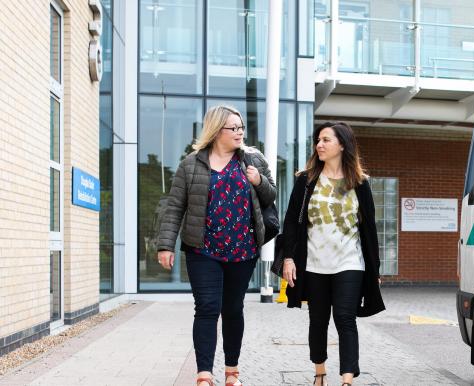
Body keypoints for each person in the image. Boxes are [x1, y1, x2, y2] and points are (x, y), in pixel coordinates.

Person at [156, 105, 277, 386]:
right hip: (203, 249)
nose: (239, 133)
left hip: (242, 250)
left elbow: (271, 195)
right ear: (216, 130)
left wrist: (258, 180)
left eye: (241, 128)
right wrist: (165, 245)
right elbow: (174, 207)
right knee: (207, 307)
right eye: (232, 128)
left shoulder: (252, 159)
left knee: (233, 308)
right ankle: (204, 374)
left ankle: (232, 372)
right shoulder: (191, 164)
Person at [281, 121, 386, 386]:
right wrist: (289, 258)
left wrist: (375, 270)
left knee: (345, 318)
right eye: (318, 140)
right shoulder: (306, 181)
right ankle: (319, 372)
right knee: (318, 322)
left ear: (342, 144)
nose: (319, 144)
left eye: (326, 140)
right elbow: (292, 221)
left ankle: (347, 379)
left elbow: (370, 229)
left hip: (350, 262)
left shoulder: (359, 183)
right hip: (314, 264)